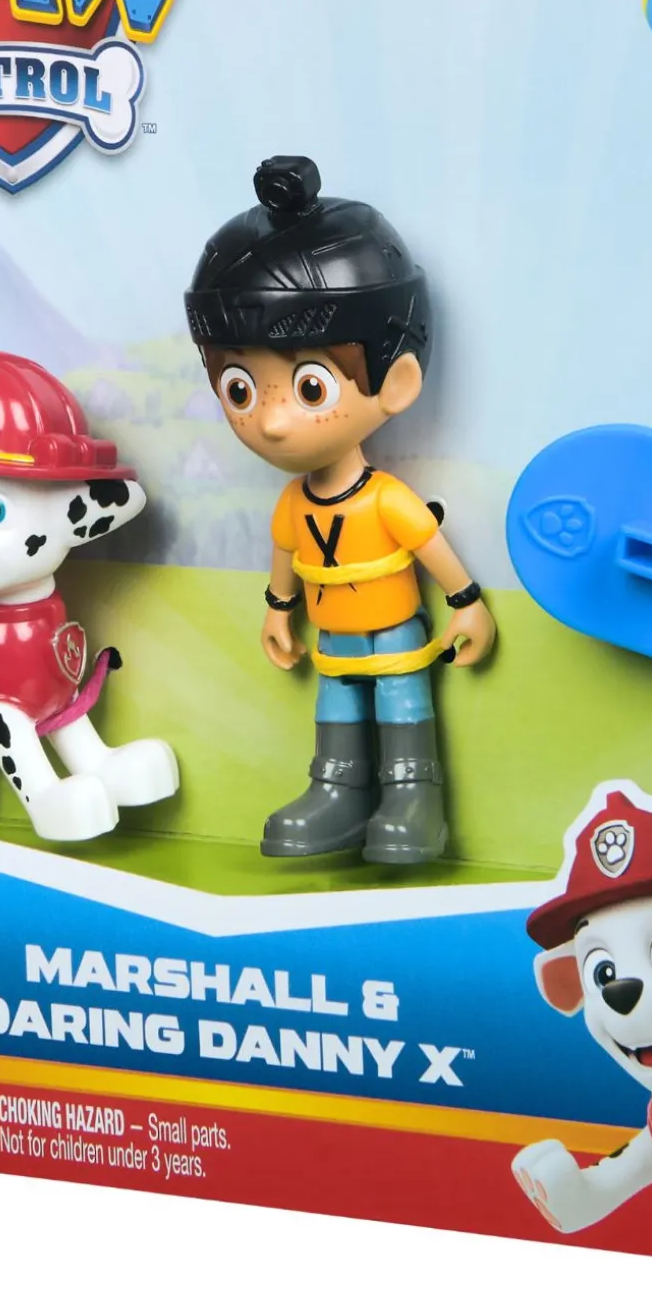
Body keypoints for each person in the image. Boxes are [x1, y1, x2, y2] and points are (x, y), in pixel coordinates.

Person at [185, 155, 495, 863]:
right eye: (240, 389)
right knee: (339, 702)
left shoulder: (385, 499)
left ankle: (413, 794)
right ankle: (338, 789)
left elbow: (433, 551)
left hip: (393, 627)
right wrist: (277, 611)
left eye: (309, 388)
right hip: (333, 632)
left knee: (401, 700)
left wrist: (467, 604)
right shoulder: (295, 502)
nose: (270, 422)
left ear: (398, 381)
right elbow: (285, 560)